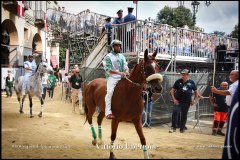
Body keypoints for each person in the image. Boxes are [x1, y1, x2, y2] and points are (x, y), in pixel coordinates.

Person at [102, 39, 129, 119]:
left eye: (119, 45)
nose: (118, 47)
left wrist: (127, 71)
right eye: (116, 45)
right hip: (112, 77)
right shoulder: (108, 56)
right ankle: (108, 112)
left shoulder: (122, 56)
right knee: (109, 92)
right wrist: (120, 73)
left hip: (122, 77)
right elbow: (108, 69)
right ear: (113, 47)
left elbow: (125, 66)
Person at [169, 69, 199, 133]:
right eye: (182, 74)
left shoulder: (191, 82)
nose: (183, 75)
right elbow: (172, 91)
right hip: (178, 101)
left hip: (187, 102)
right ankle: (173, 127)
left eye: (184, 74)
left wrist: (194, 100)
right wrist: (174, 99)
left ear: (188, 75)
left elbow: (196, 92)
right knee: (175, 112)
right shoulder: (178, 81)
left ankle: (182, 128)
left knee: (184, 115)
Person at [222, 84, 239, 159]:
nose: (230, 75)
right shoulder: (234, 85)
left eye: (233, 74)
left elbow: (228, 93)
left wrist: (216, 91)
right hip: (229, 107)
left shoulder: (235, 84)